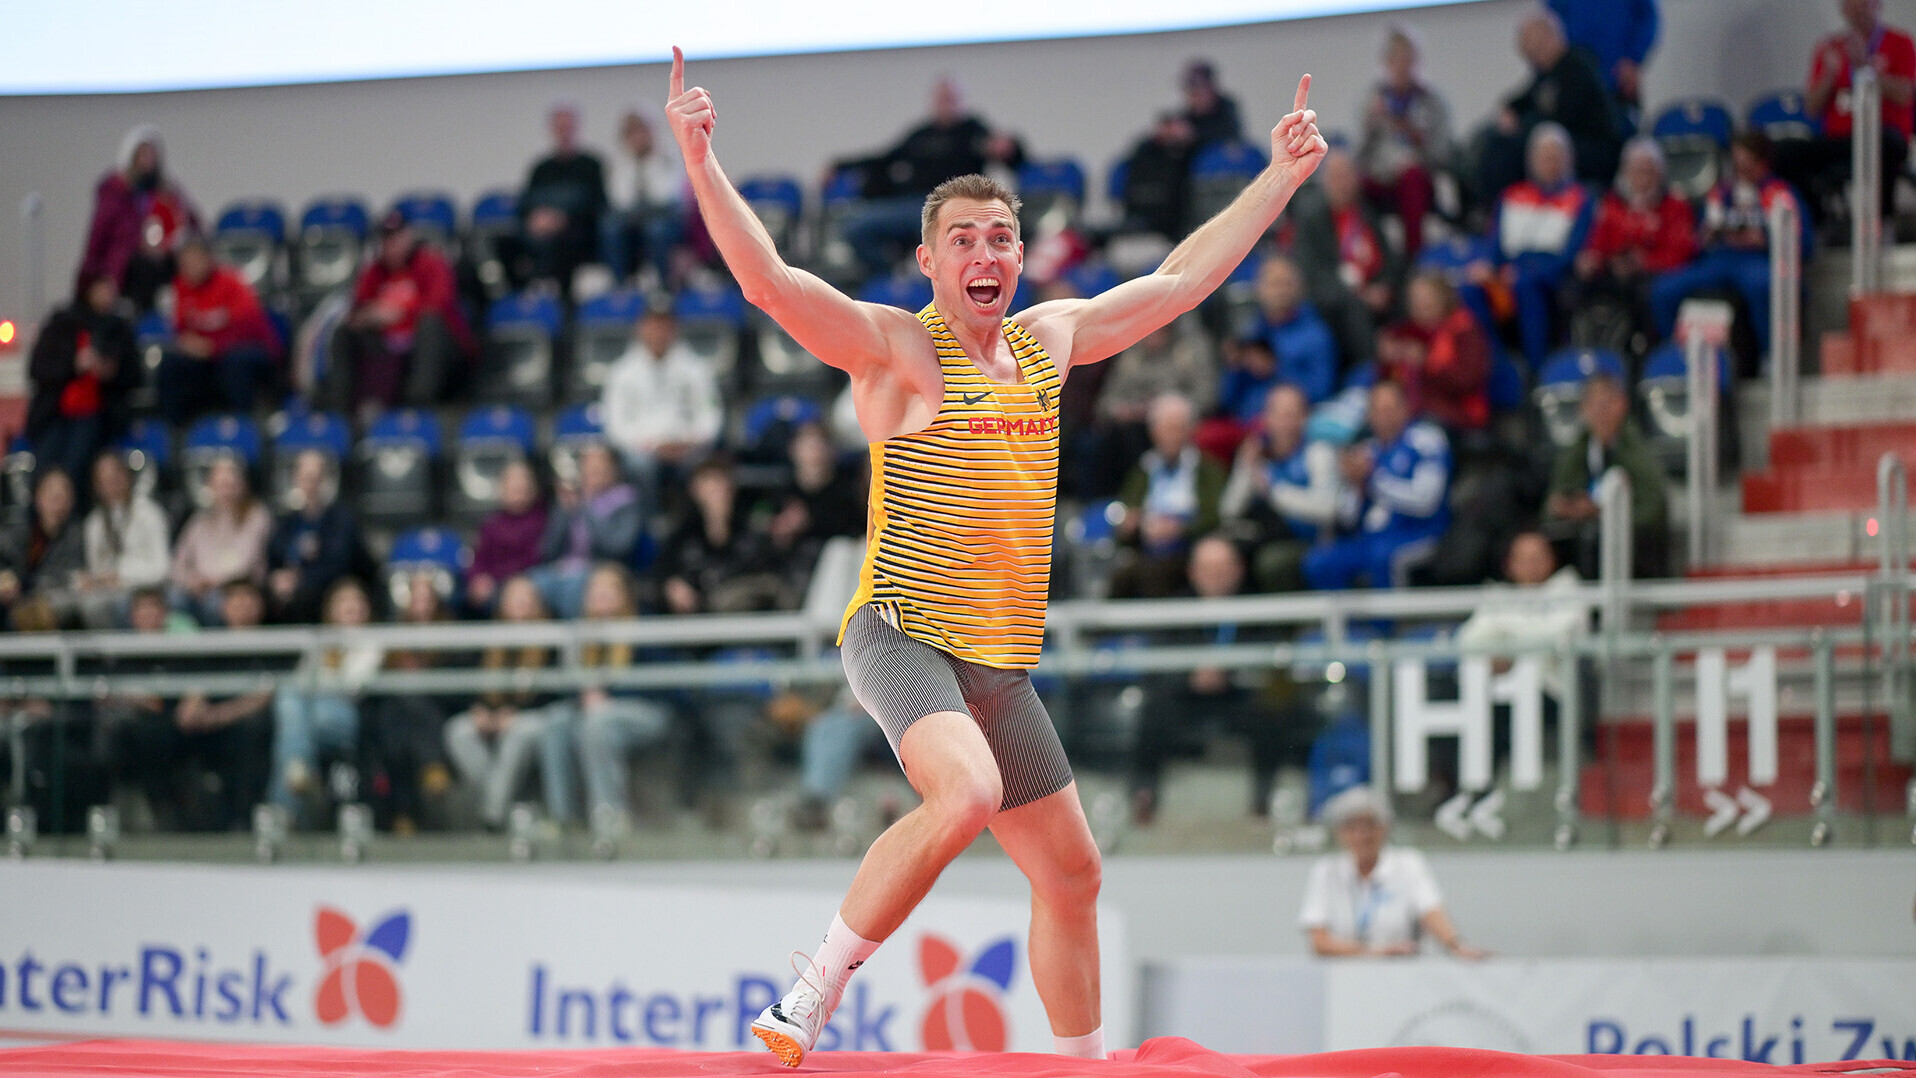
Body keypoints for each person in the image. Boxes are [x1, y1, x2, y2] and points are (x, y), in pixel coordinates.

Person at [666, 47, 1326, 1065]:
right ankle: (809, 990)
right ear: (928, 263)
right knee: (966, 795)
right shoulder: (895, 348)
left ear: (1022, 260)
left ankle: (1081, 1063)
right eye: (962, 238)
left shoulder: (1045, 342)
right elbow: (765, 283)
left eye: (1003, 237)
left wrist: (1277, 176)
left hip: (995, 662)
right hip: (901, 635)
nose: (986, 251)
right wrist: (702, 161)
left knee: (1071, 875)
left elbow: (1180, 280)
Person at [1126, 535, 1297, 824]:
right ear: (1193, 572)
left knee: (1272, 712)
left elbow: (1272, 659)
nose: (1216, 575)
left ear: (1238, 570)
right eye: (1208, 568)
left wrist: (1229, 672)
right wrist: (1190, 675)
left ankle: (1262, 802)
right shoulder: (1175, 611)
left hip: (1239, 697)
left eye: (1223, 567)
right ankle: (1144, 798)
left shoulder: (1259, 610)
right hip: (1186, 698)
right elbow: (1155, 664)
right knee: (1151, 713)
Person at [834, 75, 1027, 278]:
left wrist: (1008, 148)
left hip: (956, 208)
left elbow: (1015, 158)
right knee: (855, 227)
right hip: (912, 204)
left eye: (951, 98)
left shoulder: (974, 130)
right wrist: (839, 166)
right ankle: (895, 279)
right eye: (942, 98)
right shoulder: (921, 134)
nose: (947, 104)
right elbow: (884, 159)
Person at [1648, 131, 1802, 360]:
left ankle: (1772, 357)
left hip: (1758, 260)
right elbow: (1696, 241)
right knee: (1663, 290)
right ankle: (1674, 356)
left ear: (1761, 163)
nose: (1740, 171)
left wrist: (1764, 240)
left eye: (1746, 164)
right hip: (1718, 260)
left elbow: (1803, 241)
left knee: (1765, 286)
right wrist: (1705, 235)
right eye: (1736, 164)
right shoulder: (1720, 193)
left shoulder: (1779, 193)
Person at [442, 575, 573, 829]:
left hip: (536, 715)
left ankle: (493, 817)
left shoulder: (552, 639)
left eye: (527, 598)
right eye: (514, 598)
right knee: (458, 731)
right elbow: (473, 684)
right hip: (494, 715)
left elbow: (556, 690)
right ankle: (510, 809)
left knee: (519, 732)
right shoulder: (489, 640)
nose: (521, 604)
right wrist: (480, 710)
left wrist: (514, 713)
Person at [1299, 785, 1486, 958]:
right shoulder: (1326, 871)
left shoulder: (1407, 865)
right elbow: (1319, 942)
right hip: (1341, 980)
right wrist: (1373, 952)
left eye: (1369, 825)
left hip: (1399, 977)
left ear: (1384, 828)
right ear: (1339, 833)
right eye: (1352, 827)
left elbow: (1431, 911)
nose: (1361, 835)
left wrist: (1457, 947)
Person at [1774, 0, 1915, 226]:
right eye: (1854, 4)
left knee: (1889, 144)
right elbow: (1811, 109)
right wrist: (1829, 77)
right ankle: (1818, 220)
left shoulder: (1900, 42)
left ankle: (1883, 221)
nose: (1861, 9)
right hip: (1841, 140)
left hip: (1883, 136)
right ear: (1844, 9)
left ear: (1877, 5)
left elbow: (1905, 95)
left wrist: (1865, 68)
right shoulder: (1830, 48)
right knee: (1784, 152)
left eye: (1866, 3)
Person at [1303, 379, 1451, 590]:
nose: (1384, 416)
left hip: (1421, 533)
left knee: (1382, 557)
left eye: (1390, 408)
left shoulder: (1426, 440)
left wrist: (1372, 480)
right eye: (1378, 410)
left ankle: (1389, 623)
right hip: (1372, 538)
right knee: (1321, 561)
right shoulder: (1367, 451)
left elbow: (1426, 500)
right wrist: (1356, 486)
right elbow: (1348, 516)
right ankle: (1344, 623)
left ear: (1405, 408)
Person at [330, 211, 474, 418]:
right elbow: (357, 310)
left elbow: (440, 304)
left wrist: (399, 313)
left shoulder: (432, 263)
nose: (392, 245)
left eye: (397, 238)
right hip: (389, 347)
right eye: (387, 240)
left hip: (437, 350)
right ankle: (341, 410)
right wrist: (370, 316)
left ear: (409, 236)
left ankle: (418, 405)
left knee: (430, 323)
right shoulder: (374, 271)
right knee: (345, 331)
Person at [567, 563, 676, 834]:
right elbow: (565, 683)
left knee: (598, 722)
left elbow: (666, 684)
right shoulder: (580, 634)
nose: (601, 595)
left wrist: (609, 697)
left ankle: (609, 816)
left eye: (609, 589)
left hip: (649, 711)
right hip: (594, 711)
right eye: (595, 589)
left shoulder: (644, 627)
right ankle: (564, 818)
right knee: (554, 726)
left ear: (625, 595)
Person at [1480, 123, 1594, 368]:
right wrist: (1490, 268)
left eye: (1556, 157)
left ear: (1568, 160)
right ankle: (1495, 367)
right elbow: (1495, 245)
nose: (1550, 164)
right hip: (1509, 272)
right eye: (1544, 157)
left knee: (1525, 285)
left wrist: (1524, 272)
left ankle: (1537, 370)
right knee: (1471, 290)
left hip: (1551, 274)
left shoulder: (1580, 198)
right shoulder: (1510, 196)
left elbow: (1571, 253)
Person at [268, 577, 380, 827]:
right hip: (311, 711)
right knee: (287, 694)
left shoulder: (372, 642)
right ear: (331, 609)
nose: (351, 606)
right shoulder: (319, 641)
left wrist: (330, 667)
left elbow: (354, 686)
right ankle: (296, 768)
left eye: (357, 600)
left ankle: (286, 805)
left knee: (300, 722)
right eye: (344, 601)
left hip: (348, 715)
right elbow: (300, 680)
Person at [1478, 6, 1621, 200]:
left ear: (1550, 38)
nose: (1532, 58)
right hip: (1565, 141)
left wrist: (1522, 125)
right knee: (1494, 140)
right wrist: (1510, 110)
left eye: (1535, 49)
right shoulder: (1546, 72)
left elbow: (1560, 120)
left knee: (1510, 153)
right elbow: (1525, 98)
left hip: (1589, 151)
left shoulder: (1577, 68)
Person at [1569, 137, 1696, 351]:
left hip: (1654, 275)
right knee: (1572, 290)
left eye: (1648, 170)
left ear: (1660, 173)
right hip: (1615, 272)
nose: (1642, 177)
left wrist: (1645, 262)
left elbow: (1682, 252)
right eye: (1636, 170)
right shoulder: (1612, 204)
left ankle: (1652, 353)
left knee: (1648, 294)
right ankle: (1580, 350)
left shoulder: (1675, 206)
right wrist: (1591, 260)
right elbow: (1597, 244)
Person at [1543, 372, 1669, 578]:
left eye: (1608, 402)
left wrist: (1601, 513)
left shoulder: (1638, 451)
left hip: (1634, 548)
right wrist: (1568, 508)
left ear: (1622, 404)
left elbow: (1653, 509)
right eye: (1594, 404)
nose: (1601, 412)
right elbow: (1552, 504)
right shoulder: (1577, 451)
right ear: (1582, 409)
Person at [360, 571, 458, 834]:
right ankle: (431, 766)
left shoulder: (453, 635)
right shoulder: (393, 638)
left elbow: (457, 685)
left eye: (428, 598)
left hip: (437, 708)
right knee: (396, 721)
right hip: (397, 717)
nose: (422, 604)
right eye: (416, 597)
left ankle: (405, 814)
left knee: (411, 704)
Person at [1220, 383, 1340, 593]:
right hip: (1265, 535)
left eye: (1292, 414)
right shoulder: (1259, 455)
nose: (1285, 422)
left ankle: (1289, 625)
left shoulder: (1318, 453)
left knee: (1271, 561)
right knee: (1218, 554)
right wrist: (1245, 468)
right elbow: (1228, 510)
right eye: (1279, 414)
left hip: (1308, 541)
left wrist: (1274, 490)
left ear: (1304, 418)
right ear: (1267, 418)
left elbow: (1327, 509)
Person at [27, 274, 139, 493]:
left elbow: (133, 375)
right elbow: (37, 369)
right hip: (55, 414)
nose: (107, 295)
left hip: (96, 415)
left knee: (75, 469)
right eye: (101, 289)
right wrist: (74, 365)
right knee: (43, 472)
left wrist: (110, 372)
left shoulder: (118, 328)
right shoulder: (61, 324)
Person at [601, 305, 723, 506]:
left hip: (687, 445)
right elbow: (615, 426)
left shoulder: (696, 368)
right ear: (641, 327)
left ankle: (687, 524)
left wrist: (692, 441)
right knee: (639, 466)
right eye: (653, 325)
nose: (658, 332)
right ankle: (648, 526)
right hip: (643, 448)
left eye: (664, 325)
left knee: (702, 464)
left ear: (674, 328)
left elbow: (711, 415)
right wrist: (651, 446)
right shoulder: (622, 372)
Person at [1454, 529, 1589, 709]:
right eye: (1524, 559)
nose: (1532, 565)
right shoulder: (1496, 595)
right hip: (1497, 697)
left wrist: (1505, 638)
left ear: (1552, 560)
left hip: (1552, 696)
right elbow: (1468, 639)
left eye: (1539, 557)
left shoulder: (1569, 588)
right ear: (1510, 564)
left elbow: (1563, 635)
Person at [1110, 393, 1226, 599]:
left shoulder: (1208, 469)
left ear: (1191, 430)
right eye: (1167, 428)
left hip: (1189, 547)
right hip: (1146, 547)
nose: (1173, 435)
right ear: (1154, 432)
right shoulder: (1143, 471)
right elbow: (1127, 511)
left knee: (1156, 573)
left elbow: (1216, 514)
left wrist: (1179, 528)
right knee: (1119, 576)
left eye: (1178, 428)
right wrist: (1132, 524)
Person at [1287, 146, 1395, 368]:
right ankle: (1370, 369)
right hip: (1332, 298)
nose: (1343, 183)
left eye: (1347, 175)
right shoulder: (1311, 217)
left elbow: (1389, 258)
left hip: (1371, 291)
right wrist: (1361, 295)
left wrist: (1384, 286)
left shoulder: (1366, 212)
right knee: (1352, 306)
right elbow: (1311, 271)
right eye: (1336, 177)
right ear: (1323, 181)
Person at [159, 233, 281, 425]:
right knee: (170, 364)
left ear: (208, 259)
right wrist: (189, 343)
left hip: (246, 350)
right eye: (184, 264)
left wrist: (212, 346)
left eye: (195, 261)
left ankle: (243, 427)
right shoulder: (181, 287)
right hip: (207, 357)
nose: (190, 268)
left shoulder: (232, 281)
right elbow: (181, 330)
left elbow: (249, 327)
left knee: (236, 363)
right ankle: (176, 434)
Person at [77, 123, 201, 313]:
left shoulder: (167, 192)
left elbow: (194, 227)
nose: (147, 162)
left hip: (167, 262)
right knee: (144, 268)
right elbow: (97, 241)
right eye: (142, 155)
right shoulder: (114, 195)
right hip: (127, 271)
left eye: (152, 156)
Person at [1356, 25, 1452, 260]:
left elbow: (1442, 152)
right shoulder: (1373, 99)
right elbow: (1360, 154)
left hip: (1418, 176)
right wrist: (1371, 125)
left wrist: (1411, 133)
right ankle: (1367, 259)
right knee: (1347, 184)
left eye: (1406, 60)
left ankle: (1413, 259)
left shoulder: (1431, 101)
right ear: (1385, 63)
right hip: (1381, 176)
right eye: (1394, 60)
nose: (1401, 67)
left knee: (1411, 176)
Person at [658, 456, 790, 615]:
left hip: (748, 619)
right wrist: (671, 585)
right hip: (697, 623)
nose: (719, 491)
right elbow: (660, 573)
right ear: (695, 490)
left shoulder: (752, 529)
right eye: (711, 485)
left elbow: (768, 575)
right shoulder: (682, 535)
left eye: (722, 483)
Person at [526, 442, 642, 619]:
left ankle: (574, 645)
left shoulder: (625, 499)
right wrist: (564, 512)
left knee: (579, 585)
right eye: (589, 467)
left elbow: (616, 546)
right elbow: (548, 550)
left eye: (600, 467)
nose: (594, 472)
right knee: (527, 584)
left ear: (613, 469)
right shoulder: (571, 498)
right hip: (565, 568)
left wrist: (587, 505)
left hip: (603, 566)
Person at [1375, 271, 1492, 435]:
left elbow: (1467, 380)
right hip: (1409, 410)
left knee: (1419, 429)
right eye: (1415, 299)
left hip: (1456, 412)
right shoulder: (1404, 332)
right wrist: (1386, 360)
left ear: (1443, 298)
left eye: (1426, 298)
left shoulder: (1464, 330)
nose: (1419, 304)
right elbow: (1389, 380)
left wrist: (1425, 361)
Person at [513, 101, 609, 293]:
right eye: (559, 127)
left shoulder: (591, 165)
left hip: (579, 233)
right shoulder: (541, 169)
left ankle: (562, 299)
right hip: (542, 233)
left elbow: (599, 204)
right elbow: (525, 203)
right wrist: (537, 219)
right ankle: (520, 297)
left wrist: (563, 219)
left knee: (566, 242)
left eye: (567, 126)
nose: (564, 131)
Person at [168, 457, 272, 625]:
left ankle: (218, 651)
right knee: (174, 598)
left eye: (231, 485)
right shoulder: (200, 520)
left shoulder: (256, 516)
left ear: (242, 485)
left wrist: (212, 580)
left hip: (241, 587)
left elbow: (245, 562)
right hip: (200, 587)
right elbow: (178, 563)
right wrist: (191, 581)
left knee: (215, 602)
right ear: (211, 487)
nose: (226, 491)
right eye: (221, 486)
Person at [75, 450, 171, 629]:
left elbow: (162, 568)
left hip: (146, 589)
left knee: (120, 606)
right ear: (97, 485)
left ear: (126, 476)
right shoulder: (94, 523)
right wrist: (93, 580)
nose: (111, 484)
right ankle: (105, 657)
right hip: (109, 591)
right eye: (104, 480)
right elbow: (97, 568)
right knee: (87, 605)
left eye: (115, 476)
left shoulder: (149, 513)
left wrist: (123, 577)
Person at [266, 449, 362, 624]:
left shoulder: (340, 518)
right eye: (306, 477)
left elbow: (341, 562)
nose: (311, 484)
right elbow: (274, 555)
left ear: (327, 480)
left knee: (307, 595)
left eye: (317, 477)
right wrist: (276, 578)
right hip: (291, 591)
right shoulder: (287, 520)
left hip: (327, 589)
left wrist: (301, 579)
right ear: (296, 479)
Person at [603, 109, 687, 287]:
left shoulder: (668, 155)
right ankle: (620, 285)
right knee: (610, 228)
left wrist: (646, 163)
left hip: (666, 216)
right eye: (632, 133)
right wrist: (635, 163)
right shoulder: (619, 160)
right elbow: (620, 199)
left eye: (642, 131)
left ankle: (664, 285)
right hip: (631, 217)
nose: (638, 138)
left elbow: (666, 195)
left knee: (655, 229)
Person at [1242, 256, 1340, 407]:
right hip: (1249, 420)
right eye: (1273, 284)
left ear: (1298, 286)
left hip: (1297, 420)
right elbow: (1228, 399)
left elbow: (1322, 390)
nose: (1280, 291)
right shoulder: (1251, 331)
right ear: (1258, 288)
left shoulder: (1316, 334)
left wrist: (1274, 368)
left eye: (1286, 283)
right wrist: (1236, 368)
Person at [1546, 0, 1658, 130]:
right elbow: (1549, 23)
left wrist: (1633, 59)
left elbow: (1648, 18)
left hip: (1617, 80)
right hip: (1575, 85)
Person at [0, 468, 86, 631]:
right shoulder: (20, 530)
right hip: (12, 603)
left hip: (52, 602)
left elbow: (72, 576)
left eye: (62, 497)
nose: (57, 503)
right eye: (52, 497)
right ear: (38, 497)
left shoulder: (76, 535)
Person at [466, 458, 549, 615]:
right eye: (513, 485)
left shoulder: (543, 521)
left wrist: (496, 578)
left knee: (519, 594)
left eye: (523, 484)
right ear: (502, 489)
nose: (518, 488)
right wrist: (477, 579)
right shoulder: (490, 524)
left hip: (527, 582)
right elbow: (478, 559)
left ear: (533, 488)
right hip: (494, 585)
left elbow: (536, 559)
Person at [1115, 112, 1197, 241]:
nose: (1170, 133)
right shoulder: (1145, 154)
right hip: (1148, 218)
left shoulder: (1189, 155)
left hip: (1179, 222)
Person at [1179, 60, 1244, 150]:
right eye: (1190, 89)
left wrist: (1194, 135)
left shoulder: (1226, 110)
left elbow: (1229, 137)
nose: (1194, 95)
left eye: (1198, 88)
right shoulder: (1186, 116)